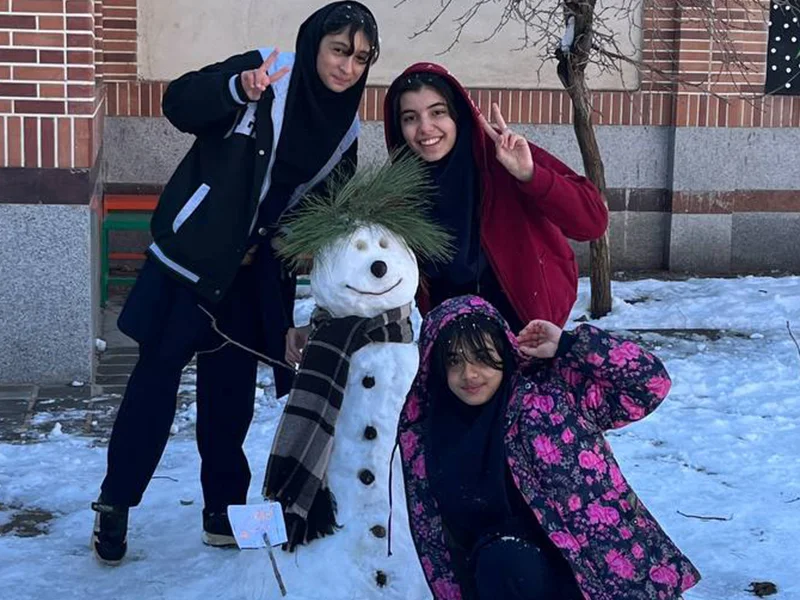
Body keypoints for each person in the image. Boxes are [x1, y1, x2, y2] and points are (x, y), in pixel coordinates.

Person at [90, 1, 380, 565]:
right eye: (339, 50)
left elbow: (322, 220)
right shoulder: (267, 72)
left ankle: (222, 511)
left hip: (252, 280)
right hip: (189, 264)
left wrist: (302, 285)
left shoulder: (345, 128)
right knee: (154, 384)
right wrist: (236, 89)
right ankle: (115, 502)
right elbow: (178, 103)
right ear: (315, 44)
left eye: (361, 58)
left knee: (230, 398)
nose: (347, 67)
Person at [396, 295, 701, 600]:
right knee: (502, 562)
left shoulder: (551, 396)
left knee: (505, 561)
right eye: (454, 361)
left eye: (482, 356)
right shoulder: (427, 438)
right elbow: (443, 548)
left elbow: (649, 385)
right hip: (508, 580)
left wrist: (571, 345)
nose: (470, 374)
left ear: (504, 349)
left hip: (600, 575)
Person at [384, 64, 609, 332]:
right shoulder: (402, 190)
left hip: (526, 328)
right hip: (452, 336)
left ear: (457, 114)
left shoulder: (503, 155)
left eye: (438, 112)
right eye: (410, 118)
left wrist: (531, 175)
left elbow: (593, 223)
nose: (425, 127)